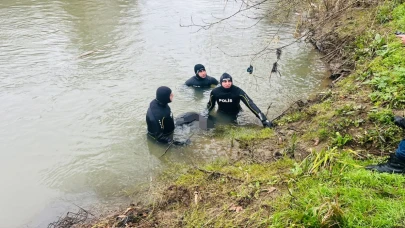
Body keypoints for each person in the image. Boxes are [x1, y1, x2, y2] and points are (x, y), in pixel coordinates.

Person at [204, 73, 273, 128]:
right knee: (218, 128)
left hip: (237, 113)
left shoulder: (237, 91)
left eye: (229, 81)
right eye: (225, 81)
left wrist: (263, 119)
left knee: (237, 126)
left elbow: (250, 104)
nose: (227, 83)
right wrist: (205, 115)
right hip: (221, 113)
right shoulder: (215, 92)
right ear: (221, 82)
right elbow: (210, 105)